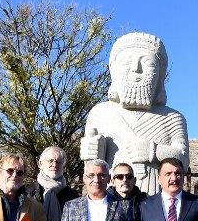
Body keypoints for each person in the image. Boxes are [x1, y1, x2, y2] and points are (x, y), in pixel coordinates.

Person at [80, 32, 188, 195]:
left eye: (148, 64)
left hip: (155, 202)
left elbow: (183, 161)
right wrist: (92, 152)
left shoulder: (173, 118)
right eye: (127, 62)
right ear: (113, 69)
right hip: (111, 201)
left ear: (160, 73)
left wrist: (153, 151)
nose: (136, 70)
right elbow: (91, 169)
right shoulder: (100, 113)